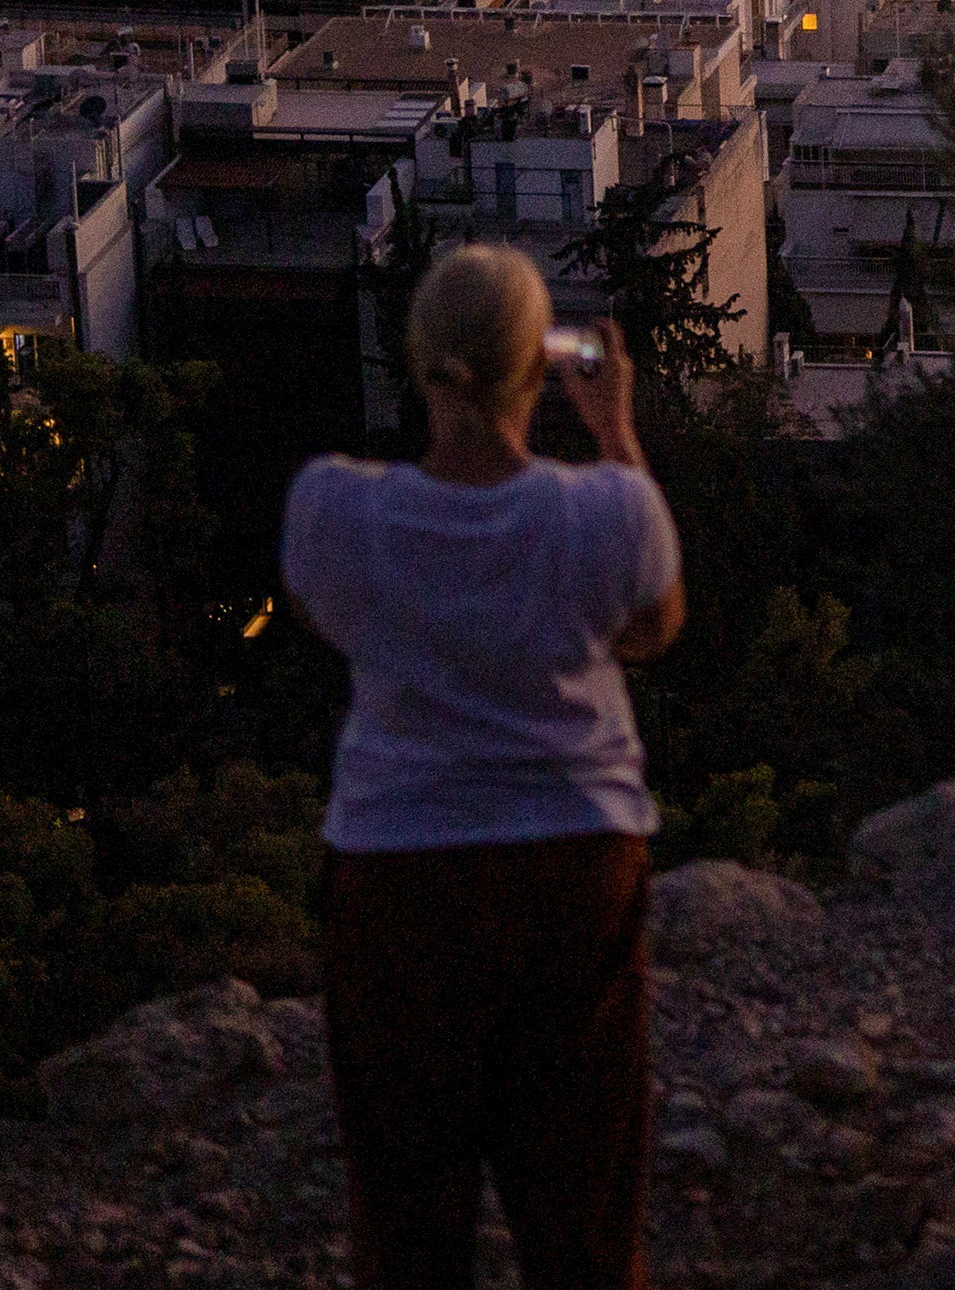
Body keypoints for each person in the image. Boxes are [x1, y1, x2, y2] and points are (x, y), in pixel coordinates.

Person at [283, 245, 688, 1290]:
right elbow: (654, 625)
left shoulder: (337, 511)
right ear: (538, 366)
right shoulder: (603, 509)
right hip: (574, 862)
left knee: (409, 1218)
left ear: (418, 362)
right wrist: (613, 429)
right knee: (585, 1206)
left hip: (399, 869)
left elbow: (331, 619)